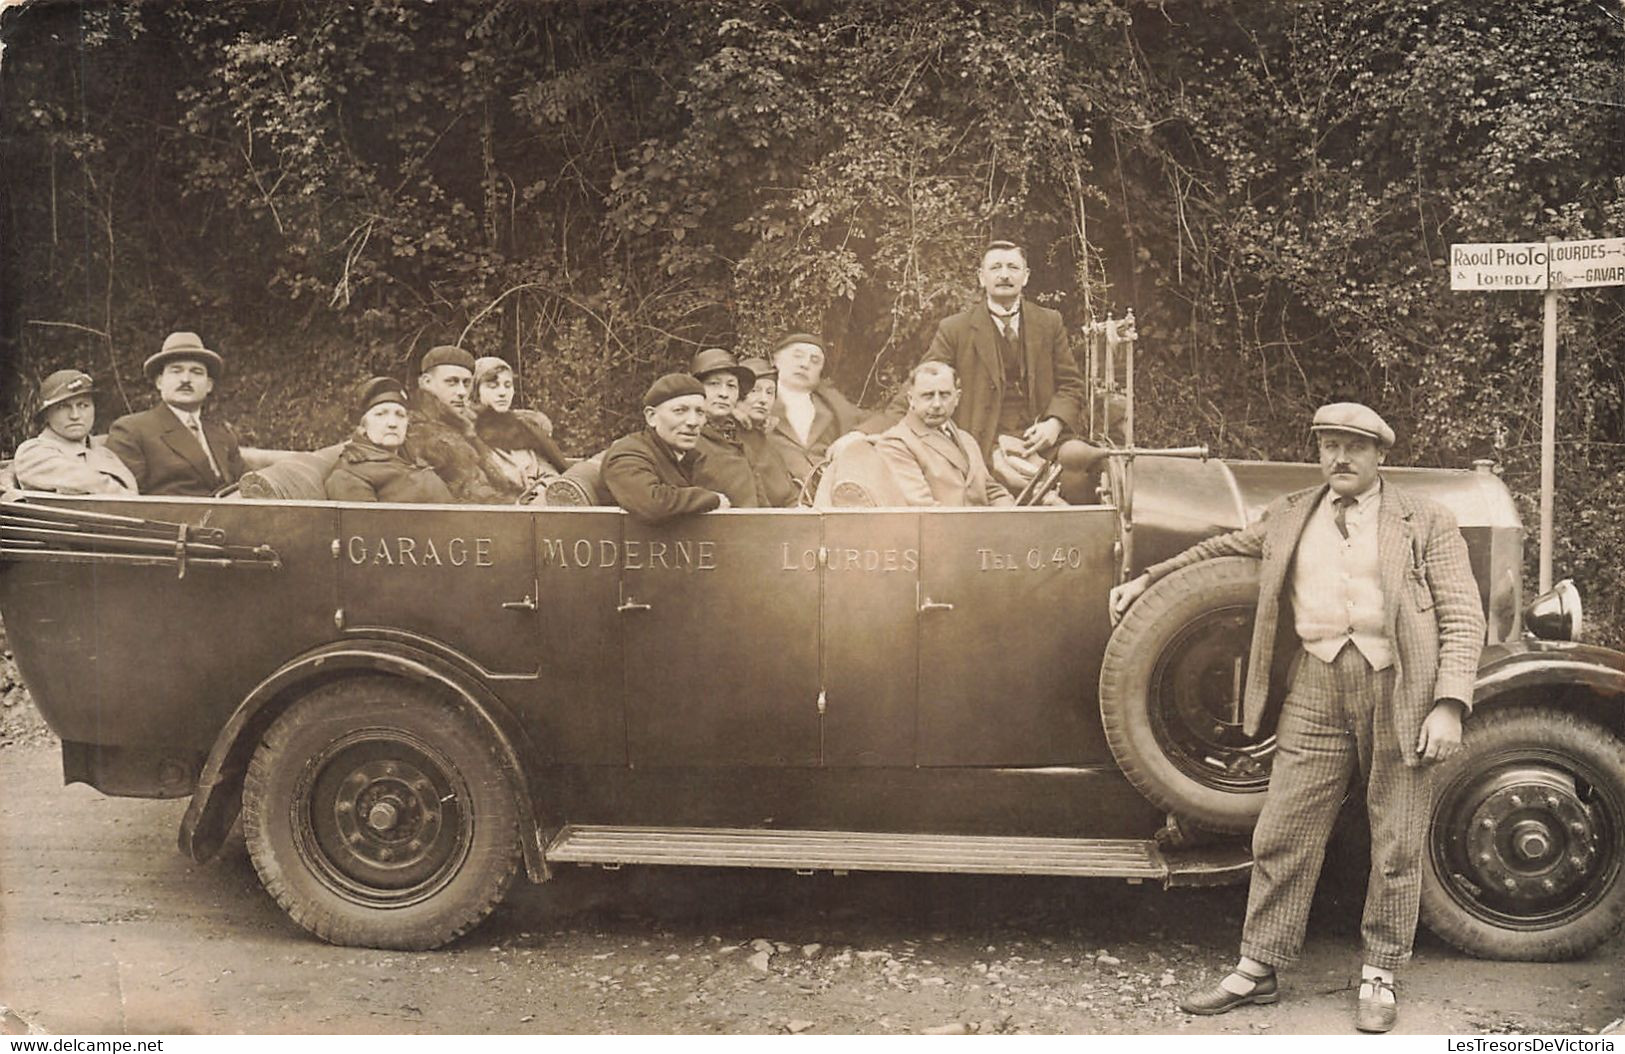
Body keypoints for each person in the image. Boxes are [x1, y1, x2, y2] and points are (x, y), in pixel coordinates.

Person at [1108, 403, 1485, 1034]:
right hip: (1315, 682)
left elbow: (1461, 614)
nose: (1340, 457)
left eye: (1355, 448)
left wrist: (1449, 704)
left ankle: (1381, 974)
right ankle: (1259, 966)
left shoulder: (1427, 520)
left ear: (1380, 456)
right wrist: (1148, 578)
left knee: (1395, 836)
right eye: (1329, 445)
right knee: (1282, 828)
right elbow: (1222, 548)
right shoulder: (1291, 514)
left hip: (1401, 685)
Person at [901, 240, 1086, 466]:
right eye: (996, 267)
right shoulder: (955, 329)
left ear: (1026, 276)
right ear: (981, 277)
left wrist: (1054, 423)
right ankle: (1048, 499)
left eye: (1013, 267)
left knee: (1079, 462)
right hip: (987, 442)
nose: (1005, 275)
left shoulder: (1049, 322)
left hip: (1043, 438)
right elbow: (920, 383)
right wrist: (874, 430)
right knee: (1017, 473)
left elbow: (1071, 385)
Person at [106, 331, 244, 496]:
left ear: (209, 386)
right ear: (159, 382)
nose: (186, 379)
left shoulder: (222, 433)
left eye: (196, 372)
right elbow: (128, 502)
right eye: (176, 371)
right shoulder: (132, 431)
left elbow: (246, 484)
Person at [874, 361, 1013, 507]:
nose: (937, 404)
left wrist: (1008, 516)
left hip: (987, 527)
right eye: (928, 395)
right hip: (943, 528)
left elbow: (993, 491)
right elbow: (924, 510)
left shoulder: (966, 440)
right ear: (911, 400)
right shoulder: (896, 444)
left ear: (957, 398)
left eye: (944, 395)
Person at [601, 373, 730, 524]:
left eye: (700, 412)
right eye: (680, 411)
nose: (693, 422)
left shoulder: (686, 456)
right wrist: (711, 499)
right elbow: (652, 503)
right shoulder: (628, 454)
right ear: (651, 417)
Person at [401, 345, 504, 504]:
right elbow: (473, 495)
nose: (462, 392)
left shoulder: (465, 425)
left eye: (466, 383)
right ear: (426, 382)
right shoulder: (419, 431)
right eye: (452, 382)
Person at [324, 377, 453, 503]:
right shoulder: (350, 475)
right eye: (381, 414)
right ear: (362, 426)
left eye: (400, 415)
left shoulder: (413, 459)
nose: (392, 423)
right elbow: (364, 524)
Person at [765, 332, 864, 491]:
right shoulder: (754, 401)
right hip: (776, 499)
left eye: (815, 360)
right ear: (776, 359)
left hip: (827, 497)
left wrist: (858, 434)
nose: (805, 364)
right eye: (797, 356)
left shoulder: (832, 407)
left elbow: (884, 420)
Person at [12, 369, 137, 494]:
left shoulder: (104, 453)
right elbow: (88, 484)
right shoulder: (33, 452)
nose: (75, 415)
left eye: (83, 405)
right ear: (46, 415)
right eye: (63, 407)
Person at [470, 356, 568, 501]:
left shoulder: (524, 431)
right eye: (493, 386)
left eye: (508, 385)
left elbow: (550, 475)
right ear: (476, 391)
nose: (502, 392)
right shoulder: (468, 433)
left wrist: (540, 493)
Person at [688, 347, 769, 508]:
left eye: (731, 386)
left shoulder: (741, 442)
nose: (724, 394)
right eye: (714, 384)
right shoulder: (686, 440)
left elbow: (762, 505)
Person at [735, 355, 799, 508]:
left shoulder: (768, 439)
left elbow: (789, 494)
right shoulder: (728, 436)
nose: (763, 399)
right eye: (755, 390)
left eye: (770, 392)